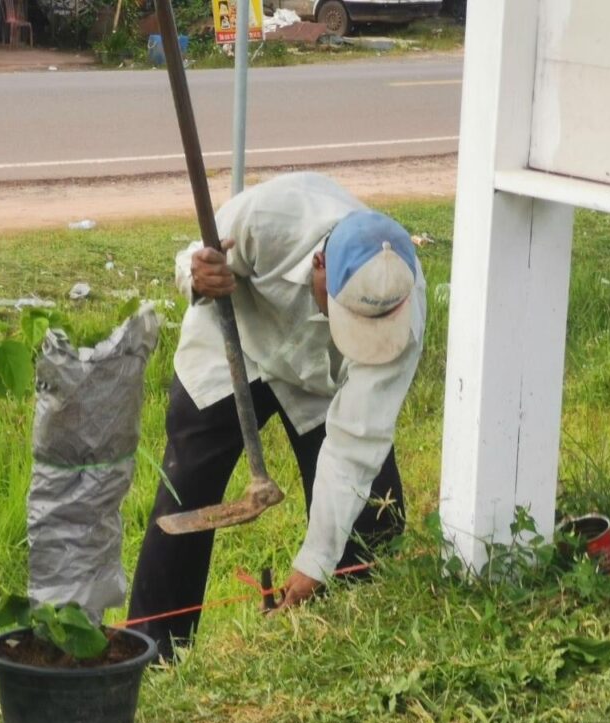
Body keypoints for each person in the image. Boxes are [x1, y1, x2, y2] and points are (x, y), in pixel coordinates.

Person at [128, 172, 427, 660]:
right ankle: (153, 652)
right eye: (345, 312)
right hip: (234, 347)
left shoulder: (402, 308)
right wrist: (198, 276)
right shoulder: (268, 216)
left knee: (373, 518)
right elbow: (194, 258)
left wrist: (315, 563)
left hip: (318, 380)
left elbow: (357, 441)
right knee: (186, 487)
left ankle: (337, 641)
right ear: (319, 265)